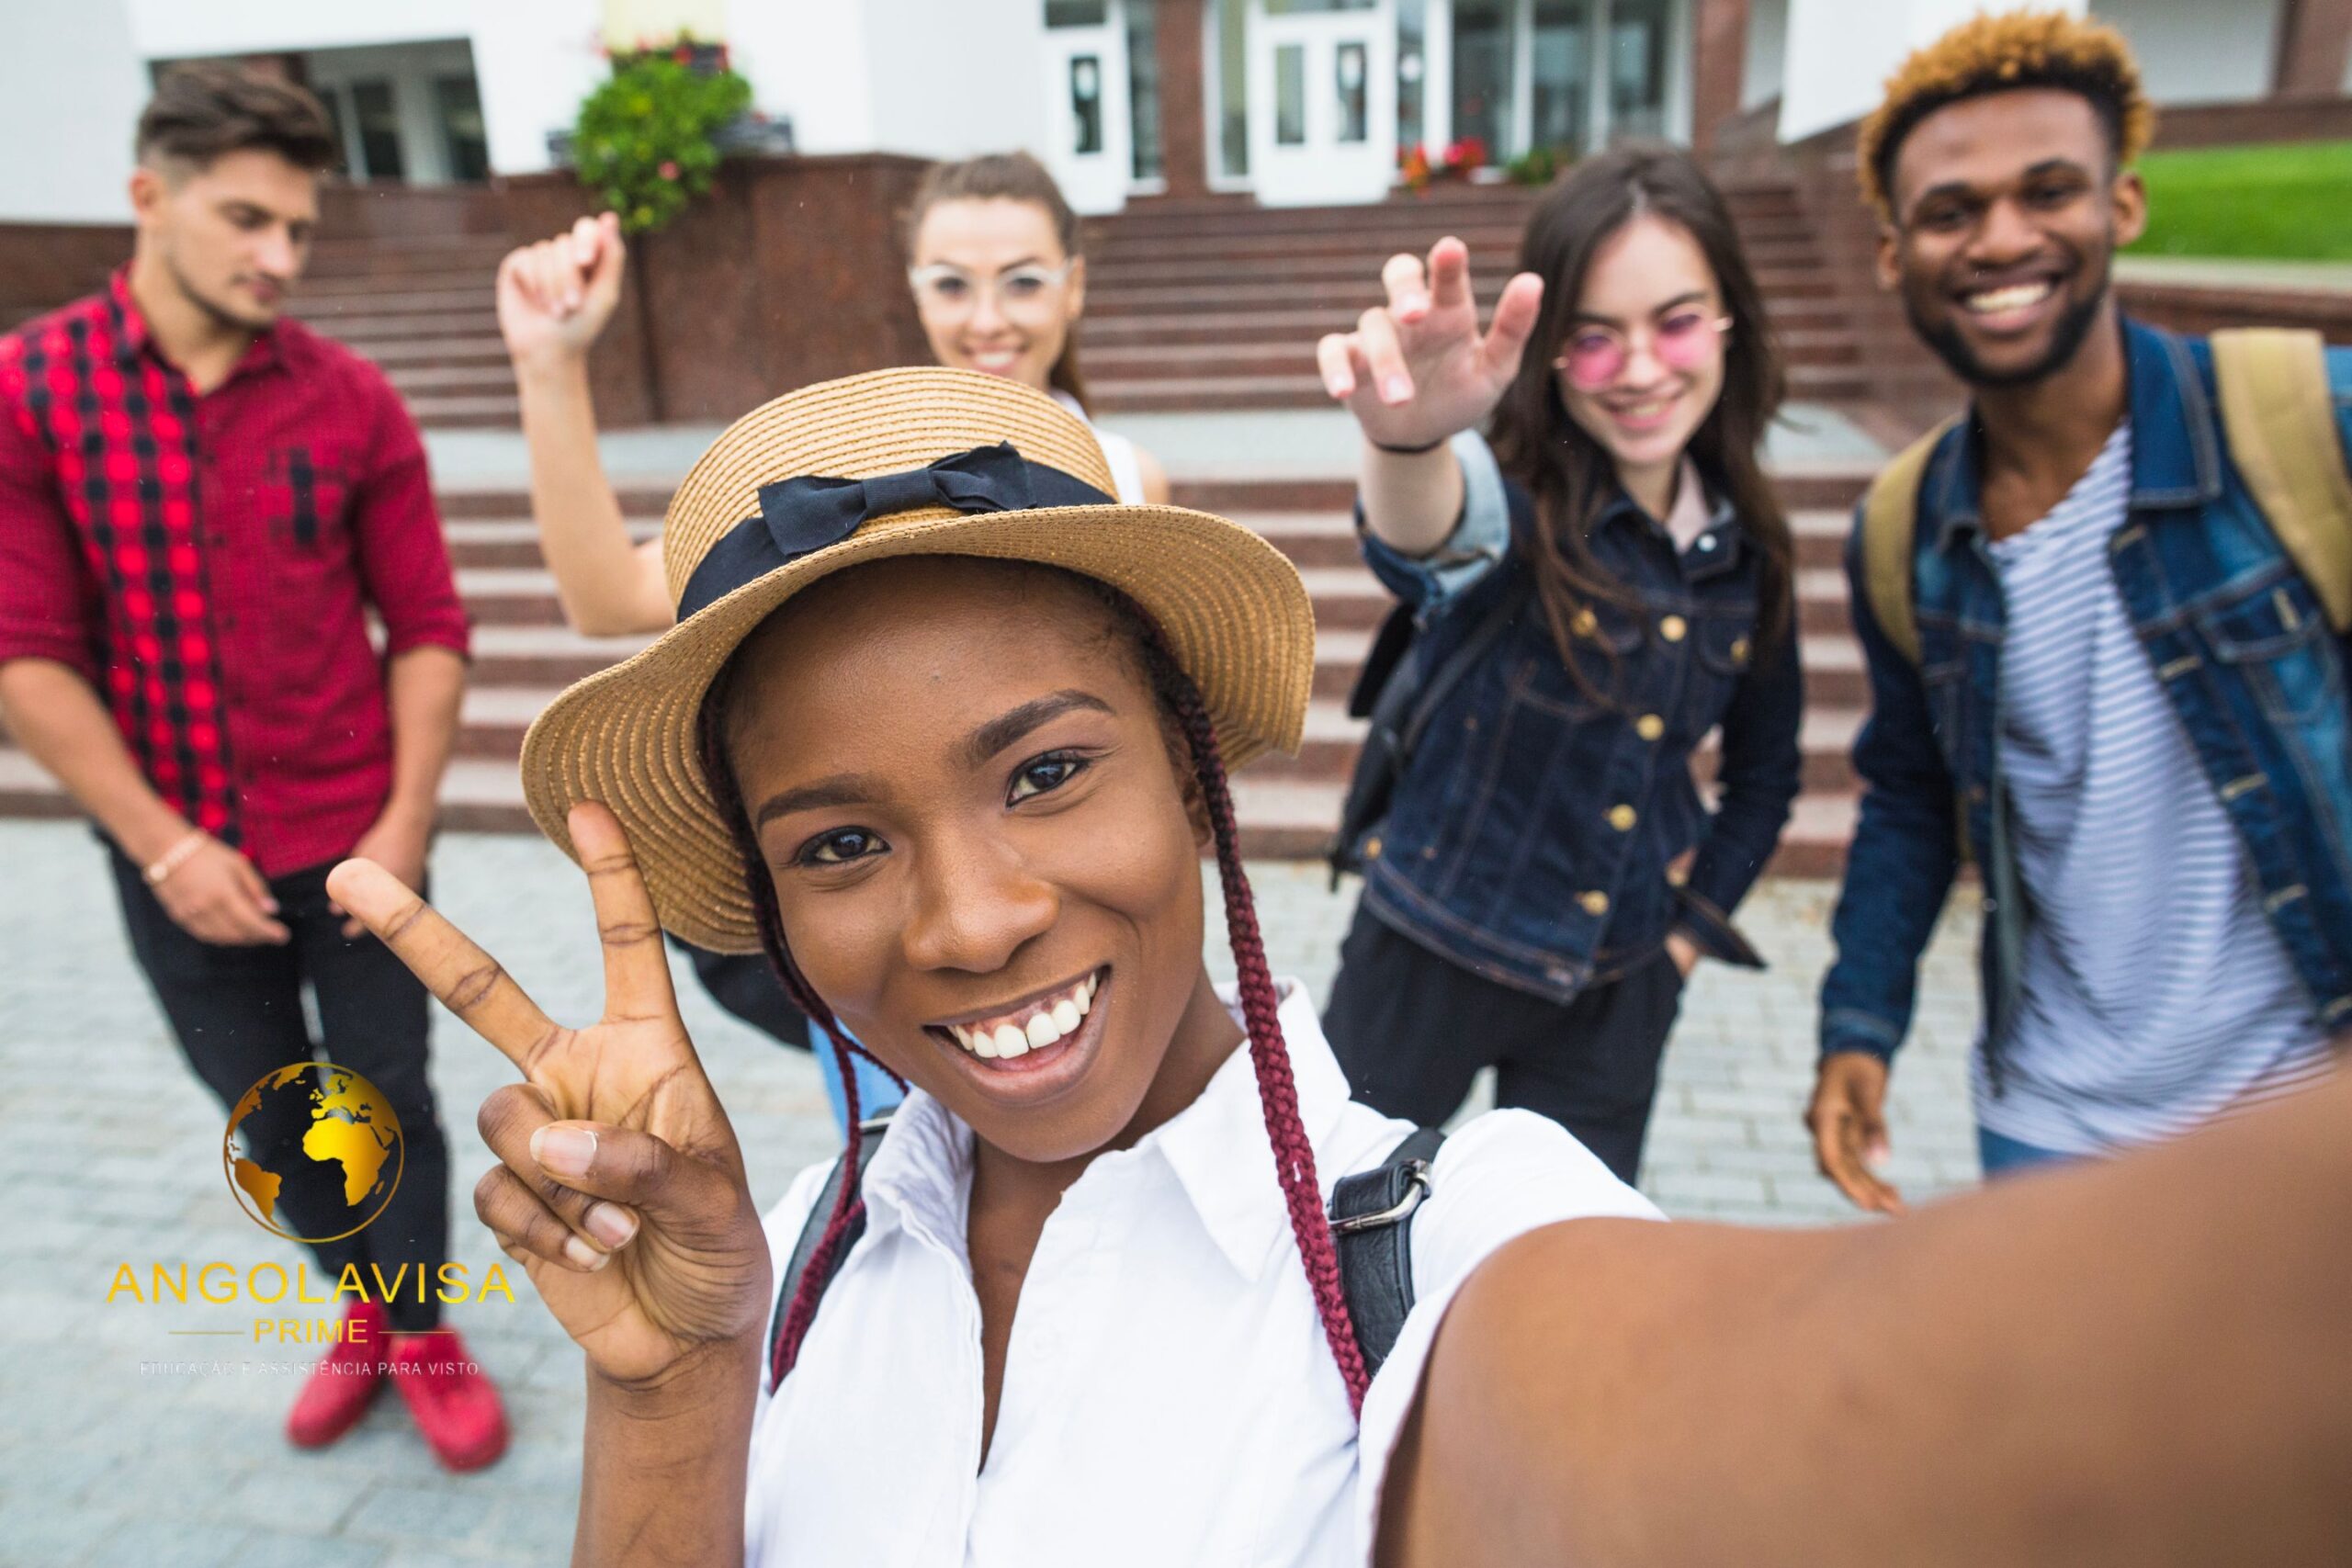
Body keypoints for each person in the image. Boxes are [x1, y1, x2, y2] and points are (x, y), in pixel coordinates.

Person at [334, 367, 2352, 1566]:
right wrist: (680, 1384)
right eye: (838, 843)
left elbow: (1911, 1410)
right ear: (764, 913)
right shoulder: (788, 1266)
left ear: (1200, 776)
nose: (962, 919)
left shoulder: (1450, 1245)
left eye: (1045, 770)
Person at [0, 64, 505, 1467]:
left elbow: (430, 625)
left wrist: (402, 829)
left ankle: (422, 1327)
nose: (280, 256)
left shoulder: (351, 401)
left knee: (388, 1094)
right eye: (246, 219)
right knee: (276, 1116)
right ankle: (362, 1310)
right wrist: (161, 842)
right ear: (147, 198)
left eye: (299, 227)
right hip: (172, 846)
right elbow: (26, 650)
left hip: (358, 837)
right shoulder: (28, 390)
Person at [493, 151, 1170, 1128]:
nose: (987, 316)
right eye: (952, 282)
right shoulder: (845, 475)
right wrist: (549, 367)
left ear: (1074, 283)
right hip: (895, 929)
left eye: (1021, 279)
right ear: (912, 289)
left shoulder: (1127, 474)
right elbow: (604, 596)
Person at [1808, 9, 2352, 1213]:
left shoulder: (2305, 422)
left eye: (2048, 191)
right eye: (1953, 211)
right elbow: (1909, 793)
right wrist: (1859, 1020)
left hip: (2305, 1108)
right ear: (1896, 254)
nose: (2004, 238)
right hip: (2048, 1119)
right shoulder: (1902, 531)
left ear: (2124, 207)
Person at [1306, 145, 1803, 1182]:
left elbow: (1765, 776)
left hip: (1614, 987)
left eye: (1674, 321)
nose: (1639, 370)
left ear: (1727, 324)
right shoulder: (1515, 499)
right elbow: (1429, 536)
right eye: (1593, 340)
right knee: (1342, 1244)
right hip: (1427, 953)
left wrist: (1678, 947)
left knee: (1564, 1273)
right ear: (1549, 356)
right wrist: (1407, 444)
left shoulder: (1747, 552)